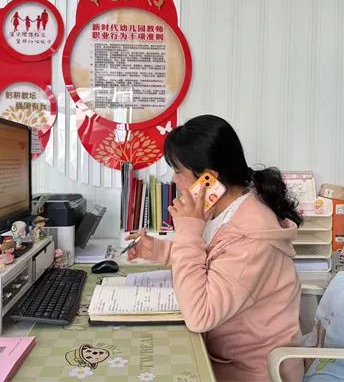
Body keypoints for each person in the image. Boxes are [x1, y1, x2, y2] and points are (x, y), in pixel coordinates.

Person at [126, 115, 304, 382]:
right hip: (222, 357)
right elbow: (214, 263)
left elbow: (200, 315)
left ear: (208, 178)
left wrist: (188, 229)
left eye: (178, 171)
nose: (174, 180)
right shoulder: (228, 210)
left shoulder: (252, 237)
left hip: (252, 372)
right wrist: (160, 251)